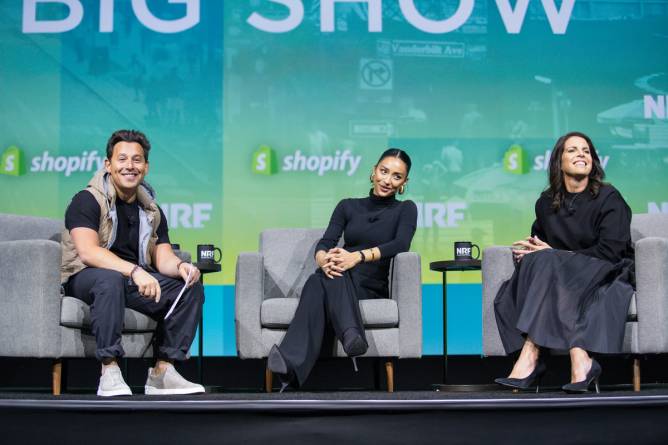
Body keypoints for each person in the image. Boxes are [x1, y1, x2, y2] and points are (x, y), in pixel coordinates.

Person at [61, 129, 205, 397]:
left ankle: (163, 371)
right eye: (122, 159)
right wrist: (136, 271)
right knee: (109, 278)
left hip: (129, 280)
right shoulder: (86, 200)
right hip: (86, 277)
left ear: (146, 167)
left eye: (137, 160)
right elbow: (88, 252)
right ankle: (110, 369)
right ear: (108, 164)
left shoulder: (151, 209)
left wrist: (180, 268)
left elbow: (162, 257)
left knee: (189, 288)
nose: (130, 166)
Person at [494, 131, 634, 393]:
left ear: (593, 160)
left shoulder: (608, 197)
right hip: (561, 277)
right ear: (558, 161)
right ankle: (580, 362)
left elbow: (612, 251)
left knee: (549, 261)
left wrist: (560, 256)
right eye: (572, 150)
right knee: (533, 265)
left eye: (586, 150)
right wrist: (527, 254)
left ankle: (532, 355)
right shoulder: (546, 203)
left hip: (606, 270)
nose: (581, 154)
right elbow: (540, 244)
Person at [267, 149, 418, 391]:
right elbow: (326, 242)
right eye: (384, 171)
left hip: (369, 284)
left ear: (404, 183)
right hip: (337, 276)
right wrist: (323, 259)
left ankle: (289, 363)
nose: (387, 180)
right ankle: (351, 335)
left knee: (319, 282)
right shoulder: (347, 206)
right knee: (322, 277)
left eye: (397, 176)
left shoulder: (406, 209)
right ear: (373, 171)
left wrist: (357, 257)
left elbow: (401, 244)